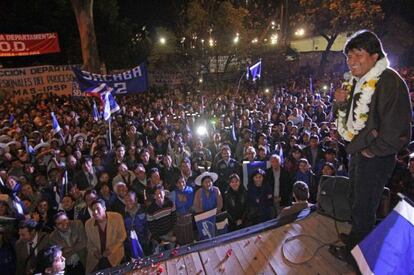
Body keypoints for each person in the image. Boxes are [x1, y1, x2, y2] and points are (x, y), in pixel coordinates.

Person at [330, 30, 412, 264]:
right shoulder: (357, 81)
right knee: (357, 199)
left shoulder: (389, 81)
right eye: (349, 56)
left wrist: (372, 150)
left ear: (374, 56)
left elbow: (399, 132)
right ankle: (357, 239)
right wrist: (339, 103)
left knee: (365, 205)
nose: (352, 61)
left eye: (358, 54)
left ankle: (357, 258)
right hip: (358, 151)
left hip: (375, 157)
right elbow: (348, 120)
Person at [84, 199, 127, 273]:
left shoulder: (117, 217)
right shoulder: (88, 224)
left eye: (98, 209)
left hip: (115, 255)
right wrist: (94, 251)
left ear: (104, 208)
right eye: (93, 210)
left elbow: (122, 236)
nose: (95, 212)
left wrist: (111, 249)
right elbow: (89, 242)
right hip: (97, 259)